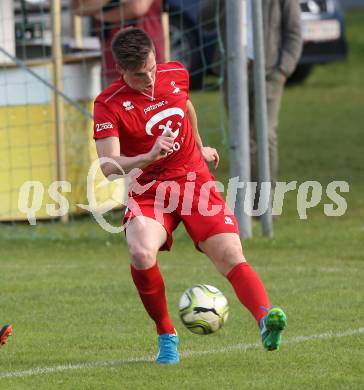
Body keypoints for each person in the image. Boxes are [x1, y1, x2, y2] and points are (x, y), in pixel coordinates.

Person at [93, 28, 287, 364]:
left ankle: (265, 322)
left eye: (152, 69)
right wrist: (147, 156)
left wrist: (198, 144)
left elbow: (185, 106)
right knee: (140, 251)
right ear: (121, 70)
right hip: (149, 189)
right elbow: (109, 166)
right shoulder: (108, 104)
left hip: (193, 180)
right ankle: (167, 335)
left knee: (230, 253)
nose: (151, 79)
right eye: (140, 76)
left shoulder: (176, 73)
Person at [204, 0, 303, 206]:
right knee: (241, 137)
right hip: (233, 69)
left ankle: (266, 204)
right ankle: (245, 204)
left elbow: (294, 32)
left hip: (269, 72)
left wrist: (283, 69)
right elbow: (205, 21)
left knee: (265, 134)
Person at [71, 0, 164, 88]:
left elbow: (137, 7)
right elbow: (79, 8)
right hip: (112, 60)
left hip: (147, 59)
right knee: (113, 100)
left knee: (155, 99)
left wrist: (101, 15)